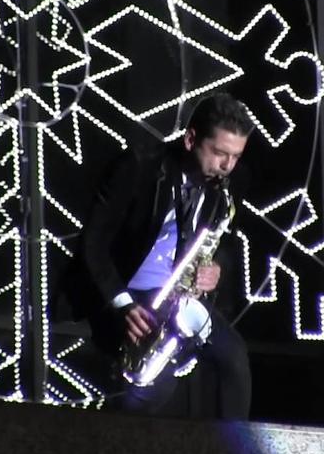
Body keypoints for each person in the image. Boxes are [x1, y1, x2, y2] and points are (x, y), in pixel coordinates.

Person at [78, 93, 253, 419]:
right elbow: (93, 243)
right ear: (190, 140)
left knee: (234, 359)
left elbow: (224, 242)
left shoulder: (229, 183)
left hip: (178, 295)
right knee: (156, 389)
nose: (227, 166)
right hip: (130, 295)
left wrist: (217, 269)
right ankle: (104, 440)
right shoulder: (138, 167)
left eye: (235, 157)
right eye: (219, 153)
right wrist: (123, 305)